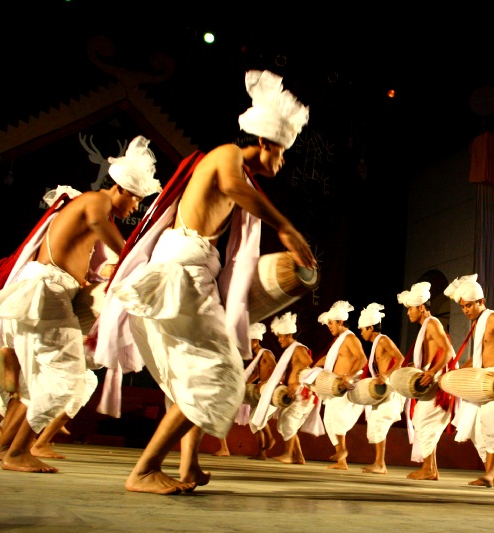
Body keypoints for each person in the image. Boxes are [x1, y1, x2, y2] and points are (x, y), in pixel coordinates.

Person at [93, 70, 315, 494]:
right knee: (220, 374)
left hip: (191, 275)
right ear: (265, 142)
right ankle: (144, 470)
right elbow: (231, 185)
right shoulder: (227, 156)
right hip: (181, 276)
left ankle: (189, 465)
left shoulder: (237, 173)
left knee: (195, 378)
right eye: (282, 152)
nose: (283, 162)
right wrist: (285, 227)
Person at [0, 147, 160, 474]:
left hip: (48, 292)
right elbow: (100, 224)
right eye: (136, 200)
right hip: (47, 293)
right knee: (68, 377)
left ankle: (7, 446)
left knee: (39, 381)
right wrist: (131, 260)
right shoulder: (96, 201)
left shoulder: (87, 208)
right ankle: (18, 452)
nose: (135, 208)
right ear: (121, 188)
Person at [444, 274, 494, 488]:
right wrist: (457, 371)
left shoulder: (493, 318)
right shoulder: (477, 324)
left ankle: (490, 474)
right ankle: (491, 474)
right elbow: (478, 356)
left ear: (481, 301)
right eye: (463, 306)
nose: (465, 310)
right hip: (481, 379)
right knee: (474, 425)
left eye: (469, 305)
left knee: (492, 420)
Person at [397, 281, 456, 481]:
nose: (408, 313)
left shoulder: (432, 323)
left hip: (435, 382)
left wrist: (431, 372)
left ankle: (428, 469)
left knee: (424, 421)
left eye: (410, 309)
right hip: (430, 380)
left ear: (421, 307)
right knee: (424, 422)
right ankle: (431, 469)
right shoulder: (426, 326)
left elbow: (448, 351)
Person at [305, 301, 367, 470]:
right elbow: (328, 359)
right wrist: (312, 367)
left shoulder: (350, 338)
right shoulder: (339, 341)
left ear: (340, 322)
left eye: (331, 323)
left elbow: (362, 358)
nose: (329, 327)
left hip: (345, 385)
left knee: (336, 417)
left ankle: (343, 452)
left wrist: (349, 376)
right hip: (335, 386)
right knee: (329, 420)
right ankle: (342, 460)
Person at [212, 322, 276, 458]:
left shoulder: (266, 353)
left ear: (256, 341)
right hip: (261, 390)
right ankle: (261, 453)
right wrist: (244, 383)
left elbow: (276, 370)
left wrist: (265, 382)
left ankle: (270, 439)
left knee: (256, 420)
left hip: (269, 390)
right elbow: (256, 373)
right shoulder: (257, 356)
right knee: (254, 423)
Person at [263, 311, 318, 465]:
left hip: (301, 393)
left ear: (288, 335)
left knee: (288, 421)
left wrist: (298, 383)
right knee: (285, 423)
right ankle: (299, 457)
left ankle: (288, 455)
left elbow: (311, 367)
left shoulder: (298, 349)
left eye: (281, 336)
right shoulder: (290, 351)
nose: (279, 340)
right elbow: (288, 372)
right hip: (293, 392)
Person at [356, 303, 405, 474]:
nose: (361, 333)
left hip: (391, 389)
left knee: (379, 421)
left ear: (371, 327)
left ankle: (380, 464)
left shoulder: (383, 340)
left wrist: (386, 375)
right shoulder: (376, 344)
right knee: (375, 422)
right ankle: (379, 463)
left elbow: (400, 358)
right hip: (384, 390)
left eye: (363, 329)